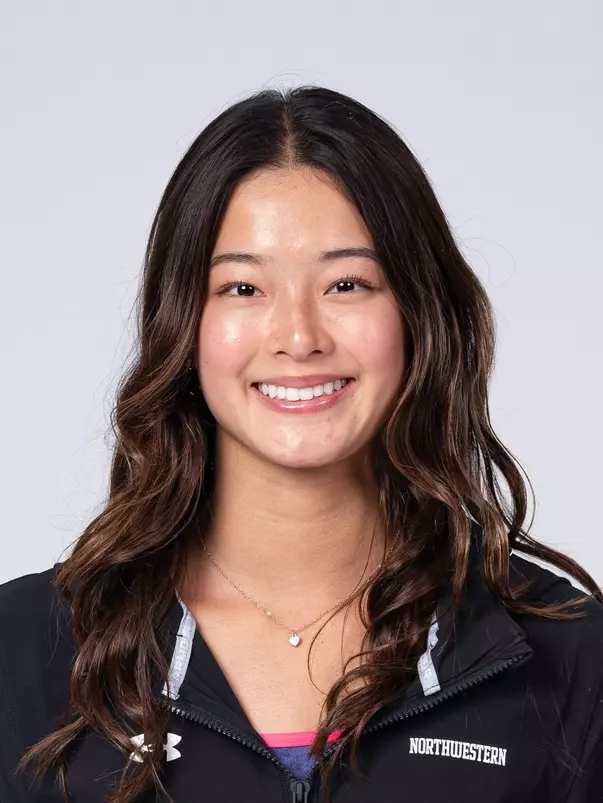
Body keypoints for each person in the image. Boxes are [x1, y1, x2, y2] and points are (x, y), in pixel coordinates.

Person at [1, 85, 602, 803]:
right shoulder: (23, 653)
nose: (298, 336)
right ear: (183, 323)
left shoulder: (566, 658)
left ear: (417, 315)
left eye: (347, 283)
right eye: (243, 288)